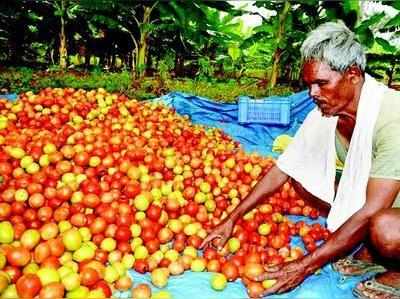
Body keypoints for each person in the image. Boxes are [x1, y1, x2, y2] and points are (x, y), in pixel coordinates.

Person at [200, 21, 400, 299]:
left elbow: (371, 209)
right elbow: (282, 169)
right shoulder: (327, 113)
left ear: (353, 74)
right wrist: (231, 219)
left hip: (388, 211)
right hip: (384, 199)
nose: (312, 94)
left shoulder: (392, 117)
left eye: (321, 83)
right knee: (301, 180)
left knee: (386, 230)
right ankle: (371, 250)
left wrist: (304, 266)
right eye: (308, 84)